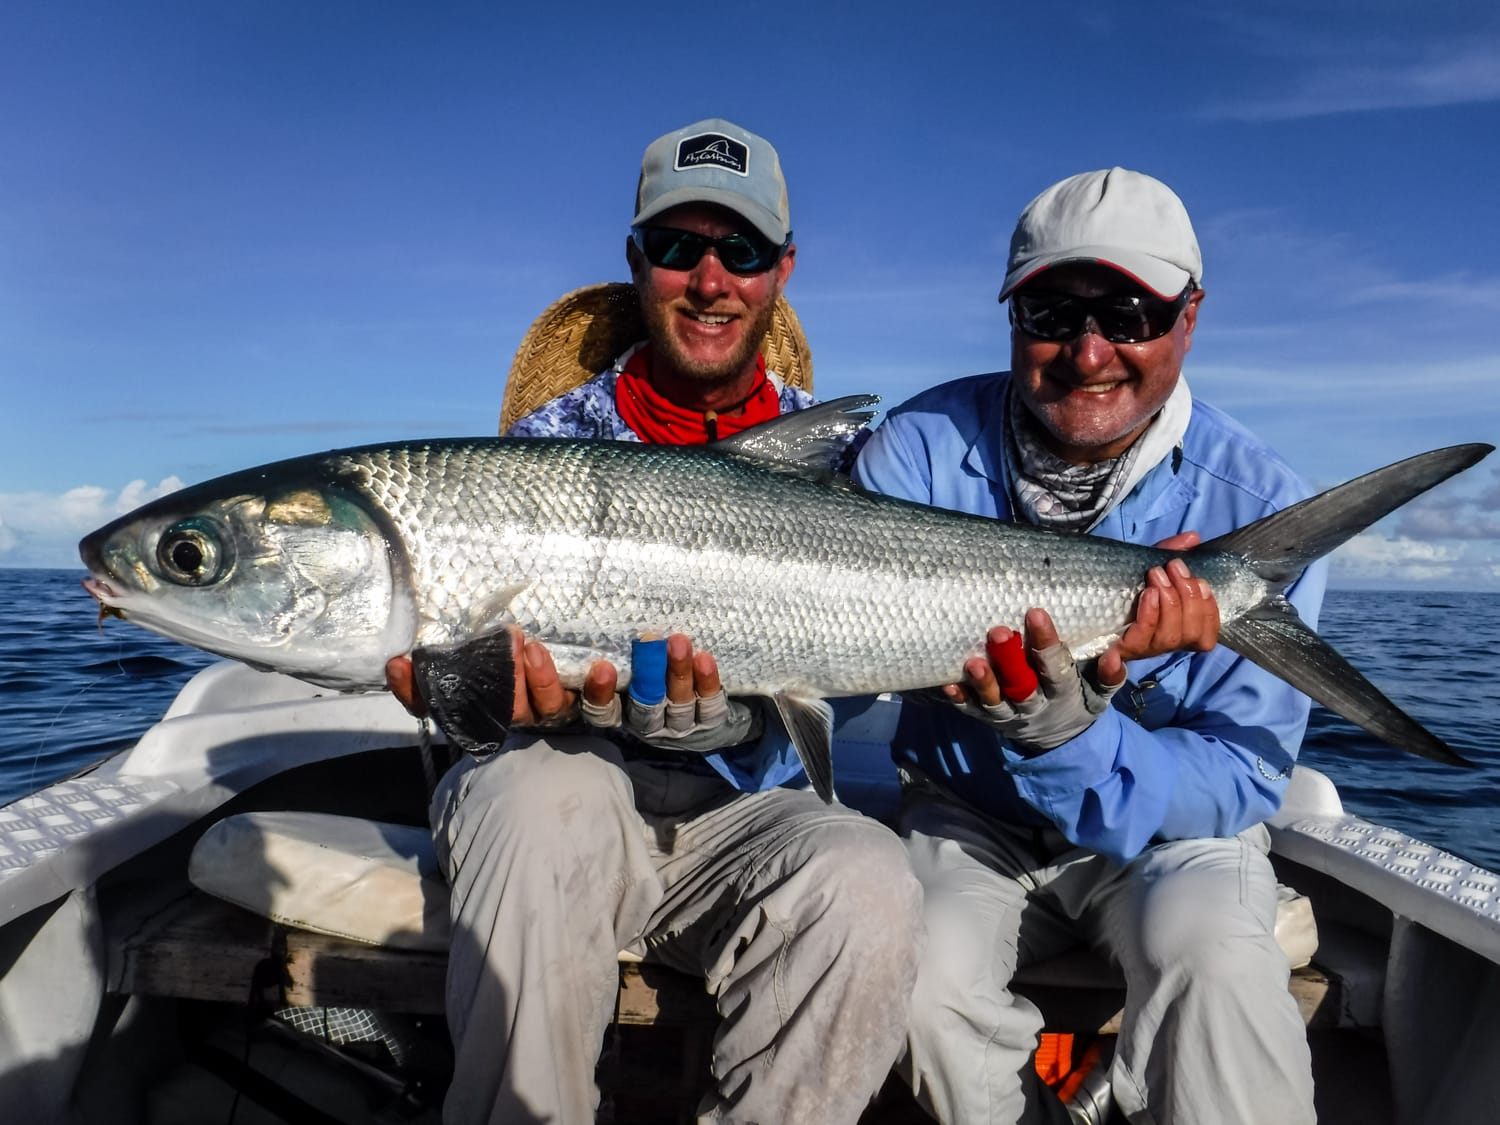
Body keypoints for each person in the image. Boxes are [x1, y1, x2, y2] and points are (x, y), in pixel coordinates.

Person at [391, 118, 923, 1125]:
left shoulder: (850, 463)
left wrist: (737, 724)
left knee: (871, 879)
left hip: (741, 814)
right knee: (541, 802)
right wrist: (469, 697)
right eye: (679, 247)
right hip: (565, 792)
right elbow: (477, 680)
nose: (711, 278)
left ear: (781, 271)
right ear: (638, 262)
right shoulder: (542, 450)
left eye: (743, 251)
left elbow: (831, 687)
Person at [852, 167, 1321, 1124]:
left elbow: (1239, 774)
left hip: (1174, 839)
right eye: (1054, 311)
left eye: (1132, 312)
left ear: (1190, 317)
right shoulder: (916, 449)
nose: (1091, 348)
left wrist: (1073, 738)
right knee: (918, 981)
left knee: (1224, 965)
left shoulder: (1261, 511)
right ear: (1013, 318)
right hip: (969, 820)